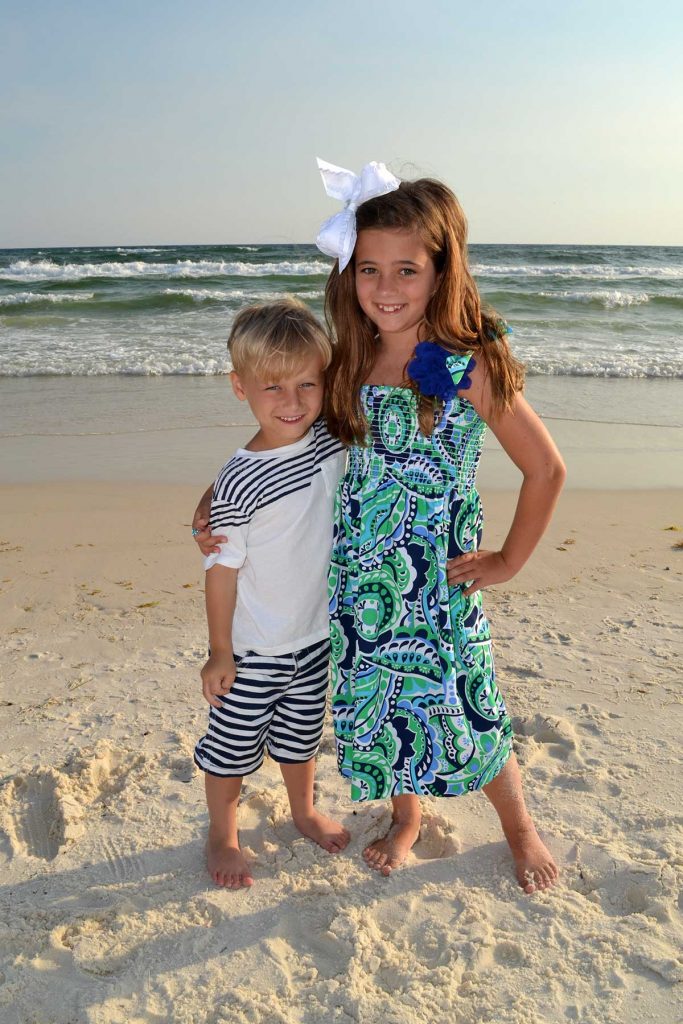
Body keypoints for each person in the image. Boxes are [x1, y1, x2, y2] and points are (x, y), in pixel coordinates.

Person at [316, 160, 566, 892]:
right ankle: (408, 815)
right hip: (361, 574)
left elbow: (545, 469)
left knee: (466, 700)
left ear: (440, 270)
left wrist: (507, 561)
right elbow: (301, 445)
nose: (385, 289)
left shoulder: (464, 365)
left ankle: (519, 827)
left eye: (405, 270)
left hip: (436, 582)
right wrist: (220, 493)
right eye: (368, 270)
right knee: (387, 697)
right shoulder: (351, 358)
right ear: (347, 274)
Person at [194, 298, 350, 889]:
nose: (292, 402)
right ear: (241, 388)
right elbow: (221, 569)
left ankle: (303, 810)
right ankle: (222, 834)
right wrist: (219, 649)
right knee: (231, 746)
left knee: (300, 735)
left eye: (308, 384)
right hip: (254, 647)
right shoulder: (239, 478)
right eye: (273, 387)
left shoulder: (330, 441)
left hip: (313, 637)